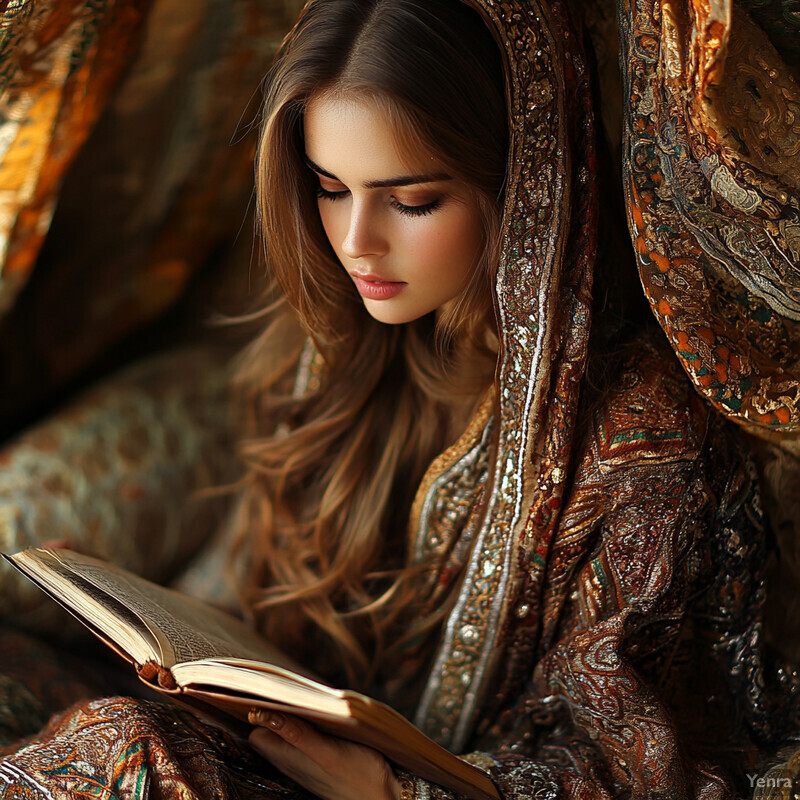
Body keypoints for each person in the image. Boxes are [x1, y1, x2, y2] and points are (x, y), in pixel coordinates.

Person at [1, 0, 799, 799]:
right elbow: (247, 598)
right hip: (274, 753)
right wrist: (168, 648)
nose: (355, 243)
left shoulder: (642, 430)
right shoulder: (338, 348)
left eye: (411, 200)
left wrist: (389, 792)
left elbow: (643, 755)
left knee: (134, 759)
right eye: (329, 188)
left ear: (525, 184)